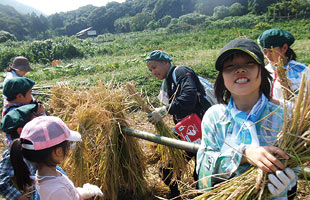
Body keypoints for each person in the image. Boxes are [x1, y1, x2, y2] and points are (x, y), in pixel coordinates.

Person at [196, 38, 297, 199]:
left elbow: (295, 163)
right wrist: (243, 155)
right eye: (230, 66)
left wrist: (289, 185)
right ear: (222, 77)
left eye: (249, 64)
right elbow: (203, 168)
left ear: (262, 71)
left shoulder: (283, 115)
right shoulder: (215, 117)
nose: (240, 70)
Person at [146, 50, 212, 199]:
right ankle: (175, 195)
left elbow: (189, 96)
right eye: (150, 70)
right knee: (166, 169)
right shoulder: (168, 81)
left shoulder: (181, 71)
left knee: (200, 175)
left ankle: (202, 194)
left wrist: (164, 110)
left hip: (203, 130)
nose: (153, 72)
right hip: (187, 131)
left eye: (154, 67)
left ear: (166, 62)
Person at [10, 116, 103, 200]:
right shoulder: (56, 191)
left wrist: (84, 192)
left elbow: (70, 193)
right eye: (68, 145)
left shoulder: (51, 175)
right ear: (57, 152)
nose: (69, 149)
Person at [0, 104, 40, 200]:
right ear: (21, 131)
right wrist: (19, 197)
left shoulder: (34, 150)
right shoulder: (13, 154)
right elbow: (1, 181)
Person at [257, 28, 309, 101]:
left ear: (284, 48)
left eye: (271, 51)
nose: (267, 56)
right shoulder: (263, 71)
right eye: (265, 52)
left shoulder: (301, 71)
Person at [2, 77, 46, 145]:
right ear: (19, 96)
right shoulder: (16, 114)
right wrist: (39, 115)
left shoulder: (10, 108)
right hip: (25, 149)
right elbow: (35, 130)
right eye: (30, 93)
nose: (31, 97)